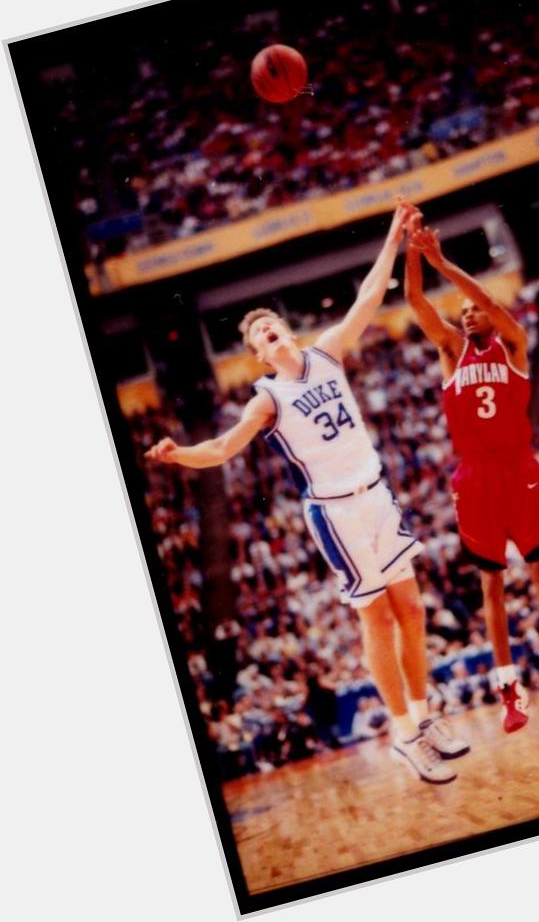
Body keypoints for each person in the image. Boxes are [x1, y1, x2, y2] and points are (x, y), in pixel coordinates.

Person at [146, 203, 469, 784]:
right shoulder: (266, 398)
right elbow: (221, 449)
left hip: (376, 493)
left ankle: (424, 720)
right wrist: (177, 455)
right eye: (258, 334)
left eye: (272, 323)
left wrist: (394, 236)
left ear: (287, 331)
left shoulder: (326, 353)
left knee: (414, 612)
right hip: (336, 511)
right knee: (378, 620)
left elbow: (369, 295)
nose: (269, 330)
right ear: (259, 354)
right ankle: (402, 735)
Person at [404, 208, 539, 734]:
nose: (469, 314)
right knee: (492, 584)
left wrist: (443, 261)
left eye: (476, 309)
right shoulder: (451, 351)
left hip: (518, 466)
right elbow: (414, 301)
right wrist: (414, 249)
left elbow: (494, 303)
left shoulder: (515, 345)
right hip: (475, 476)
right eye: (463, 312)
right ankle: (508, 693)